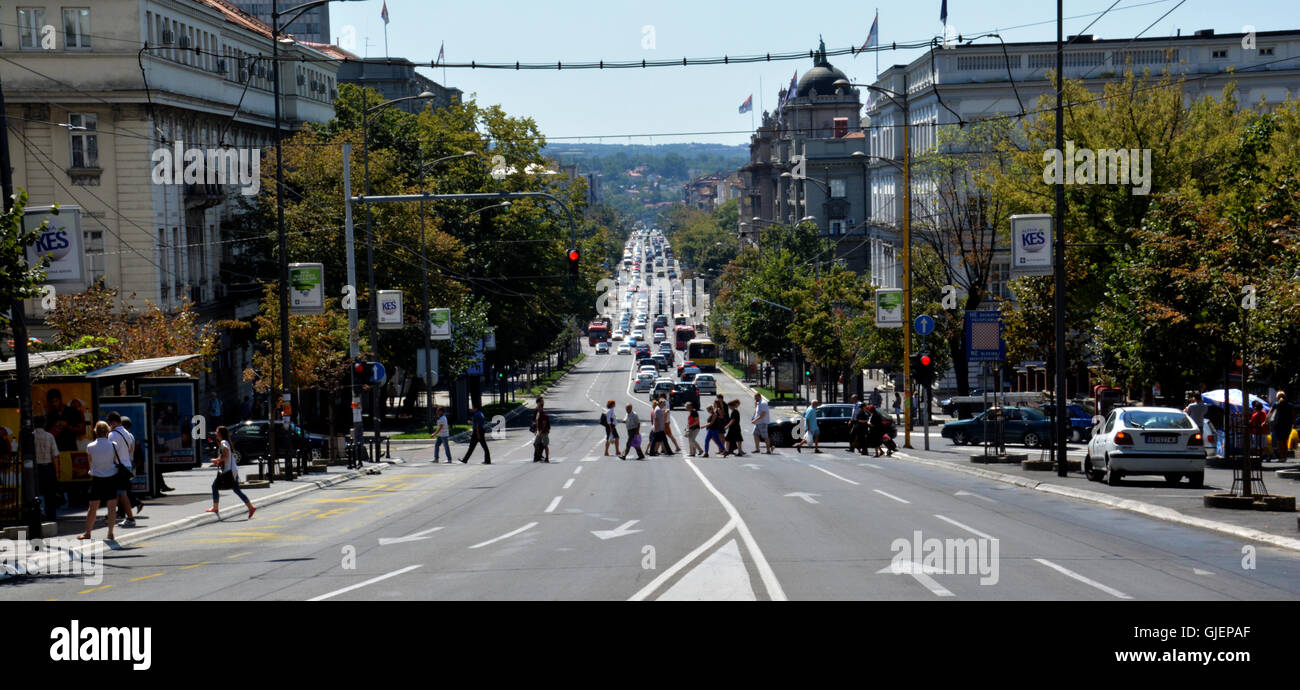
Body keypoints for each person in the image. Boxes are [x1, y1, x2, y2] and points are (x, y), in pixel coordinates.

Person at [79, 422, 119, 541]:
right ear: (108, 432)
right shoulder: (114, 445)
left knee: (93, 507)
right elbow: (114, 460)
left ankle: (87, 533)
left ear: (95, 431)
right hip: (111, 477)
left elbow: (90, 462)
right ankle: (110, 532)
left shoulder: (90, 446)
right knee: (112, 507)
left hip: (97, 478)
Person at [205, 425, 255, 519]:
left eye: (216, 432)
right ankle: (251, 507)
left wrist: (216, 460)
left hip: (229, 471)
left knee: (214, 486)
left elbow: (226, 456)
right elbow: (226, 456)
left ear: (220, 433)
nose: (215, 433)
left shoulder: (224, 442)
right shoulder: (225, 442)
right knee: (236, 490)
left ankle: (215, 508)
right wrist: (219, 460)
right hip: (232, 470)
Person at [106, 412, 141, 527]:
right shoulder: (127, 433)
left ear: (113, 422)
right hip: (126, 465)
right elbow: (131, 450)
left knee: (122, 493)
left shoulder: (112, 435)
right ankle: (113, 516)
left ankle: (130, 518)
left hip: (118, 467)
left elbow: (111, 452)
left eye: (109, 423)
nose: (109, 425)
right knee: (117, 493)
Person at [33, 416, 61, 521]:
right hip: (48, 467)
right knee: (50, 495)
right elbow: (55, 456)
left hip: (35, 468)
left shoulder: (30, 436)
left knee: (34, 493)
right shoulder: (50, 436)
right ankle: (51, 517)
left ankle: (36, 515)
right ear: (44, 424)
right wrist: (57, 472)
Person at [1269, 392, 1295, 463]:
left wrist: (1266, 422)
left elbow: (1270, 414)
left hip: (1278, 425)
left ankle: (1281, 457)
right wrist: (1293, 424)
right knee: (1285, 442)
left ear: (1277, 397)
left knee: (1279, 442)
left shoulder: (1276, 404)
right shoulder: (1290, 405)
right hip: (1287, 426)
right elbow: (1293, 416)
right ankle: (1285, 457)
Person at [533, 397, 551, 463]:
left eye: (538, 407)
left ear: (541, 408)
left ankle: (547, 458)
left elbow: (544, 424)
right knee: (535, 444)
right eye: (537, 407)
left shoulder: (544, 415)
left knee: (545, 445)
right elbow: (537, 422)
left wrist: (540, 431)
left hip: (544, 432)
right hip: (539, 432)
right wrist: (536, 430)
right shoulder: (537, 414)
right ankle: (538, 455)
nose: (537, 408)